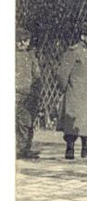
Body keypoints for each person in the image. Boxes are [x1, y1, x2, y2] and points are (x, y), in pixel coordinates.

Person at [57, 22, 87, 159]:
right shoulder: (73, 51)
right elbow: (62, 73)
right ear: (83, 36)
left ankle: (86, 149)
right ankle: (69, 149)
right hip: (75, 92)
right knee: (73, 120)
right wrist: (66, 89)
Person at [15, 28, 42, 159]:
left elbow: (36, 75)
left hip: (29, 94)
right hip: (16, 93)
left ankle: (26, 148)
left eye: (26, 41)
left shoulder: (30, 56)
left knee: (28, 122)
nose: (24, 44)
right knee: (20, 122)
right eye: (21, 41)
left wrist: (36, 90)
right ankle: (19, 148)